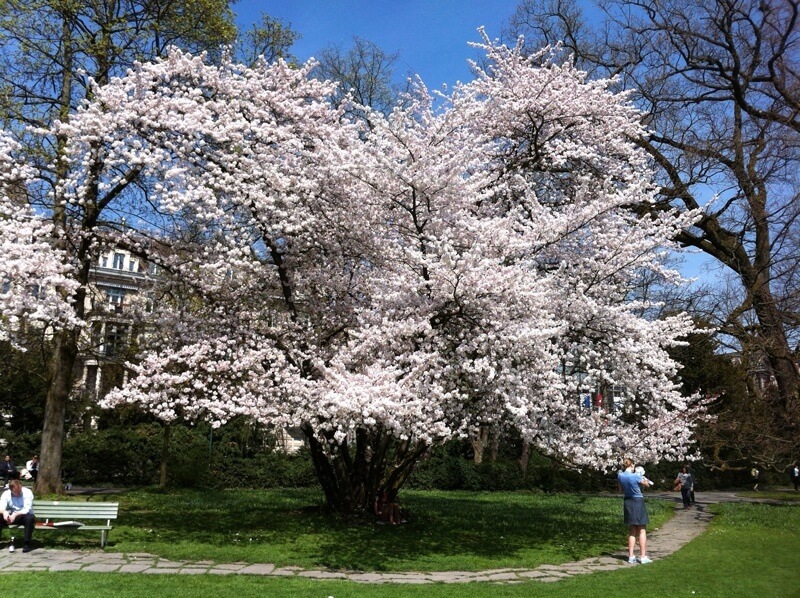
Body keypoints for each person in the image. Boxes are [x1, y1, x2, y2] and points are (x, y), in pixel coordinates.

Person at [617, 457, 653, 564]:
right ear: (632, 465)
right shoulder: (636, 476)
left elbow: (620, 490)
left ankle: (631, 556)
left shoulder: (620, 475)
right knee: (642, 529)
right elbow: (647, 485)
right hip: (637, 501)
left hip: (628, 501)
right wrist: (644, 479)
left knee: (632, 529)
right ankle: (643, 556)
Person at [0, 479, 35, 552]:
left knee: (29, 518)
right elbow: (1, 507)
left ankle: (27, 543)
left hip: (24, 515)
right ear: (11, 490)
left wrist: (15, 515)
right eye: (16, 492)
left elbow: (27, 509)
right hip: (12, 515)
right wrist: (5, 513)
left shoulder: (27, 492)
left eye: (20, 490)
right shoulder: (6, 494)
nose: (19, 493)